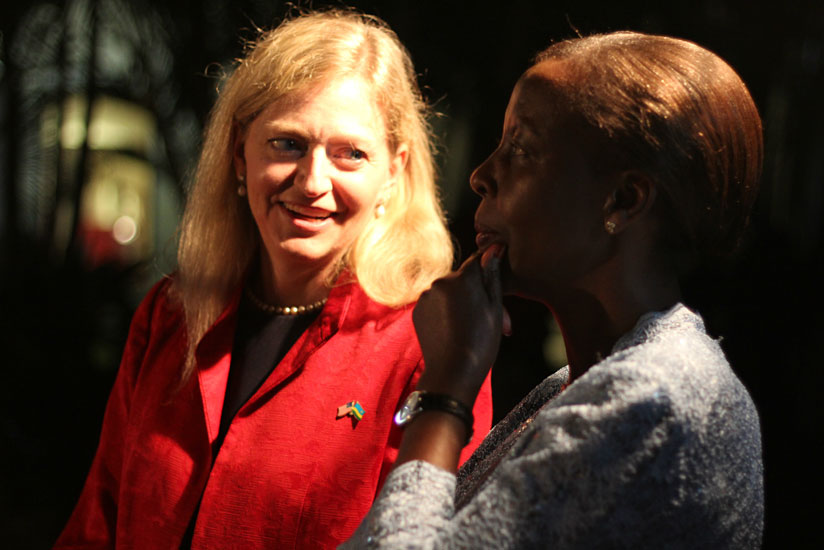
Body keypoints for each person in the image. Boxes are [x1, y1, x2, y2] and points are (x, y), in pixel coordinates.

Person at [54, 10, 493, 550]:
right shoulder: (170, 315)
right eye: (287, 143)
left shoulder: (429, 348)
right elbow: (97, 521)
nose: (312, 182)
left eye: (350, 154)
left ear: (393, 172)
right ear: (239, 151)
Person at [343, 31, 764, 548]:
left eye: (521, 150)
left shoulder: (658, 400)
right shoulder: (581, 383)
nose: (480, 175)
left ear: (623, 202)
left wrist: (446, 391)